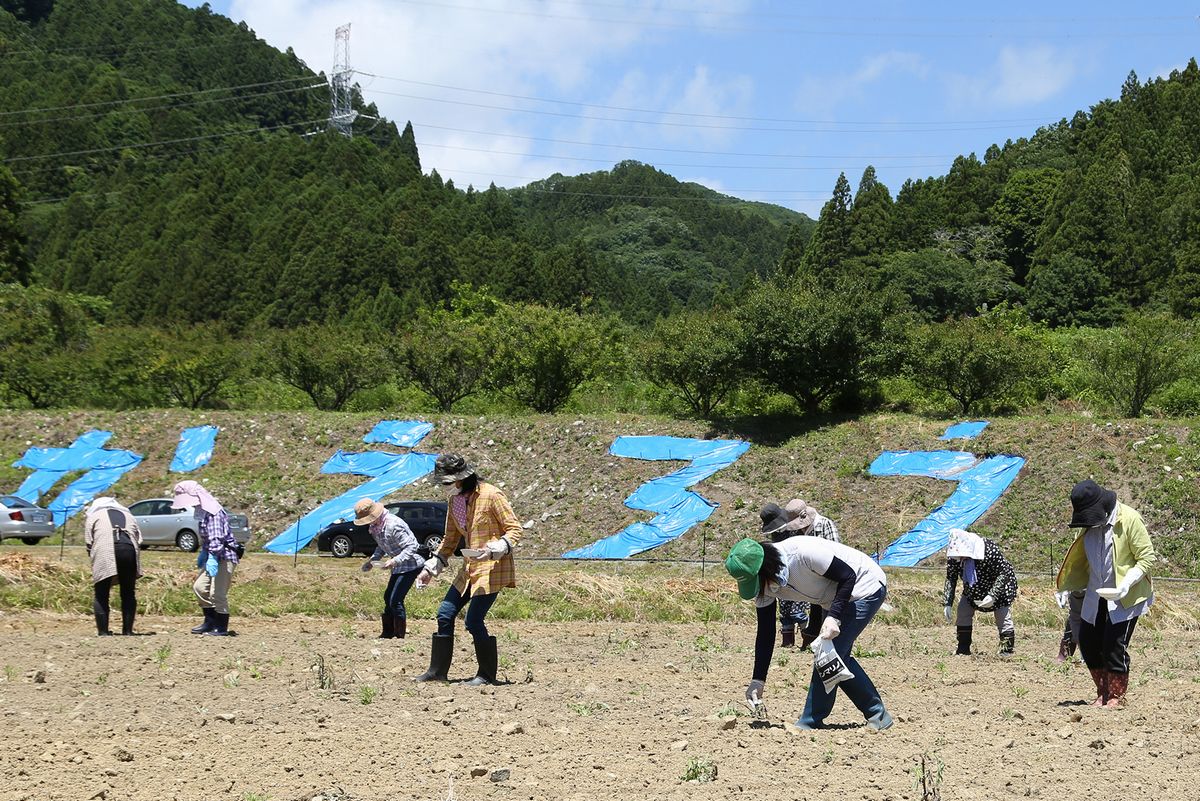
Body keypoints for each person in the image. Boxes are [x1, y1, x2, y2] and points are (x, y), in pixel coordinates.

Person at [725, 515, 892, 730]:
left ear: (765, 569)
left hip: (864, 586)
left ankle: (811, 721)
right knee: (835, 657)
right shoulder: (767, 585)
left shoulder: (803, 554)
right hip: (832, 598)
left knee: (828, 656)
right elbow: (766, 632)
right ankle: (877, 714)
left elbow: (848, 576)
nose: (758, 590)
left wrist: (833, 617)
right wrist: (758, 679)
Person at [414, 454, 523, 686]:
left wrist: (497, 547)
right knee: (445, 613)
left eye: (447, 482)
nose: (445, 487)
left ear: (462, 478)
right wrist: (432, 567)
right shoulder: (455, 501)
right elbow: (451, 538)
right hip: (469, 568)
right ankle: (437, 671)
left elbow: (514, 529)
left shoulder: (492, 495)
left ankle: (486, 675)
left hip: (492, 568)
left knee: (473, 621)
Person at [1056, 479, 1155, 708]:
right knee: (1088, 642)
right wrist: (1070, 587)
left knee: (1114, 645)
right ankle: (1103, 690)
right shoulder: (1089, 524)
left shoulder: (1129, 519)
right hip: (1096, 593)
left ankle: (1116, 696)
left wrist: (1126, 584)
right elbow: (1083, 561)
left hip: (1125, 596)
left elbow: (1147, 558)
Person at [762, 499, 841, 648]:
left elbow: (836, 552)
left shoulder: (824, 525)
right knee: (794, 608)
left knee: (822, 612)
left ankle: (823, 643)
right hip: (803, 578)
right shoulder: (791, 531)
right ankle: (808, 640)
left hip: (825, 577)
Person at [172, 480, 240, 637]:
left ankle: (221, 627)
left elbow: (216, 538)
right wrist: (205, 555)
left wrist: (212, 557)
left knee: (218, 593)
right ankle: (209, 621)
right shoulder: (202, 512)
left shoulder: (213, 512)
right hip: (212, 554)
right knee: (200, 588)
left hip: (224, 556)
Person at [942, 528, 1019, 656]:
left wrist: (993, 595)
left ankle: (1006, 650)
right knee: (963, 611)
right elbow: (951, 578)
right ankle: (963, 648)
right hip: (972, 589)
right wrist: (947, 602)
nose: (960, 557)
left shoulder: (989, 550)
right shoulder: (956, 558)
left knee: (1002, 616)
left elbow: (1003, 573)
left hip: (998, 588)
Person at [354, 497, 423, 639]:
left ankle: (399, 636)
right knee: (388, 598)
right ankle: (388, 632)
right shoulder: (375, 527)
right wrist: (373, 560)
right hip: (398, 567)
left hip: (411, 565)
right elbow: (382, 545)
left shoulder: (393, 525)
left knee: (395, 600)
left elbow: (412, 546)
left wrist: (395, 560)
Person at [83, 497, 143, 636]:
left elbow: (89, 541)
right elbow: (139, 538)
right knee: (128, 592)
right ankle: (127, 631)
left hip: (104, 551)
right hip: (129, 551)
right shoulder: (129, 516)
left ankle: (103, 631)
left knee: (101, 593)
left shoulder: (94, 516)